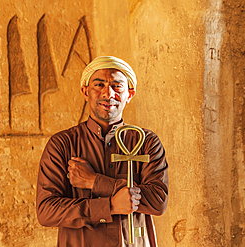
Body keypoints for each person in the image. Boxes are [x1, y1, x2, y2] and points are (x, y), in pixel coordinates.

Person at [36, 56, 168, 247]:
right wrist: (111, 206)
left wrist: (94, 181)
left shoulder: (147, 142)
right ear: (85, 91)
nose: (108, 94)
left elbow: (158, 201)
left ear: (129, 94)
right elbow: (46, 211)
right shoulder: (62, 144)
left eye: (117, 86)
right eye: (99, 85)